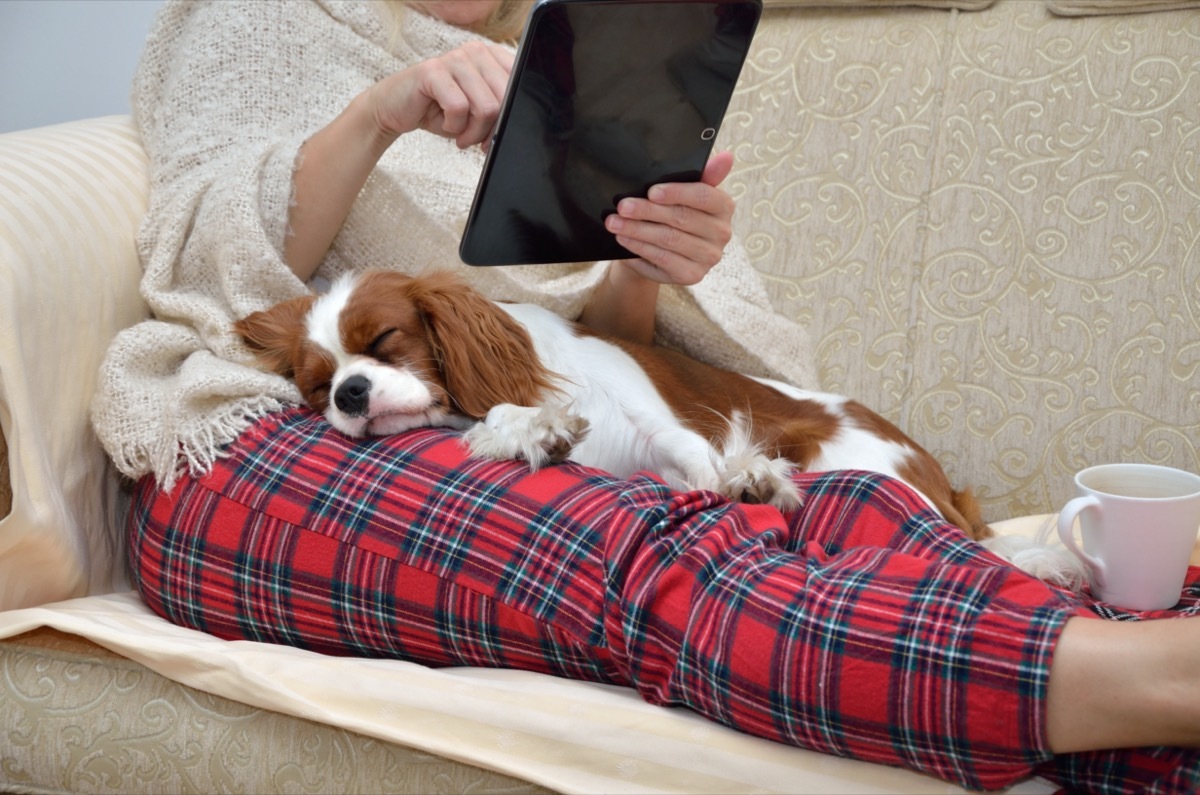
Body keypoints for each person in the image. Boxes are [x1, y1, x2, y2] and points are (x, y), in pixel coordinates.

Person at [91, 1, 1200, 792]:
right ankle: (1146, 678)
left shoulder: (544, 72)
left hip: (515, 439)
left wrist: (641, 267)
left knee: (816, 506)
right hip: (261, 451)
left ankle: (1128, 687)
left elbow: (596, 362)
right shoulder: (256, 20)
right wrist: (378, 113)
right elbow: (213, 258)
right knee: (659, 560)